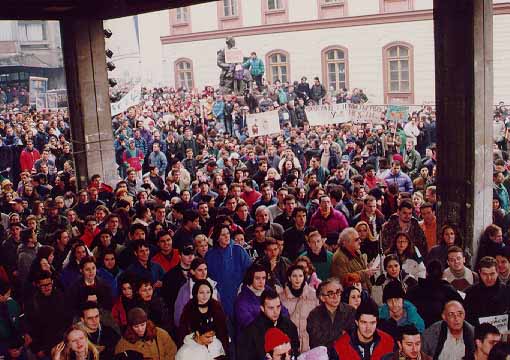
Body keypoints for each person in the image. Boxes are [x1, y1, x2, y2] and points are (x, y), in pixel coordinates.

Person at [237, 289, 299, 360]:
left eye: (278, 307)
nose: (276, 312)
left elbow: (295, 349)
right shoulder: (252, 331)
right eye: (271, 308)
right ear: (262, 308)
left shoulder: (288, 324)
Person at [25, 271, 73, 359]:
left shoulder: (61, 297)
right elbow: (30, 328)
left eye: (49, 284)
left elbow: (68, 321)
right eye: (43, 285)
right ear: (37, 285)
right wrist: (37, 349)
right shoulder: (32, 303)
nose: (47, 287)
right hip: (43, 349)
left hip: (62, 345)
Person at [406, 260, 462, 327]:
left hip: (415, 329)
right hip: (441, 329)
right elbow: (461, 307)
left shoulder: (413, 290)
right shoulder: (449, 290)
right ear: (442, 274)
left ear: (426, 273)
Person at [177, 279, 228, 352]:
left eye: (208, 292)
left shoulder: (216, 307)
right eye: (201, 293)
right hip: (193, 346)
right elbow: (183, 332)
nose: (205, 296)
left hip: (213, 345)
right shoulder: (189, 308)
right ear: (196, 293)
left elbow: (223, 332)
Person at [278, 264, 319, 352]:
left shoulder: (313, 295)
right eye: (294, 276)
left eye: (300, 276)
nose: (297, 279)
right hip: (289, 342)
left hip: (310, 343)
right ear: (289, 278)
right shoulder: (281, 297)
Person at [306, 278, 356, 351]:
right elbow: (316, 342)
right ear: (322, 298)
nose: (335, 297)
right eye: (330, 294)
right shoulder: (314, 314)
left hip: (345, 353)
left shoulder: (350, 311)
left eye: (338, 292)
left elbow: (353, 337)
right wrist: (340, 333)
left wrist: (328, 336)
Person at [464, 256, 510, 327]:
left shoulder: (507, 291)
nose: (489, 278)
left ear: (497, 272)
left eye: (492, 274)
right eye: (485, 274)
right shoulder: (469, 293)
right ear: (479, 272)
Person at [173, 257, 220, 327]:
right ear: (192, 271)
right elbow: (178, 315)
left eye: (205, 269)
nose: (204, 273)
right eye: (200, 270)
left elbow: (219, 310)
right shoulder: (185, 290)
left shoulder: (213, 286)